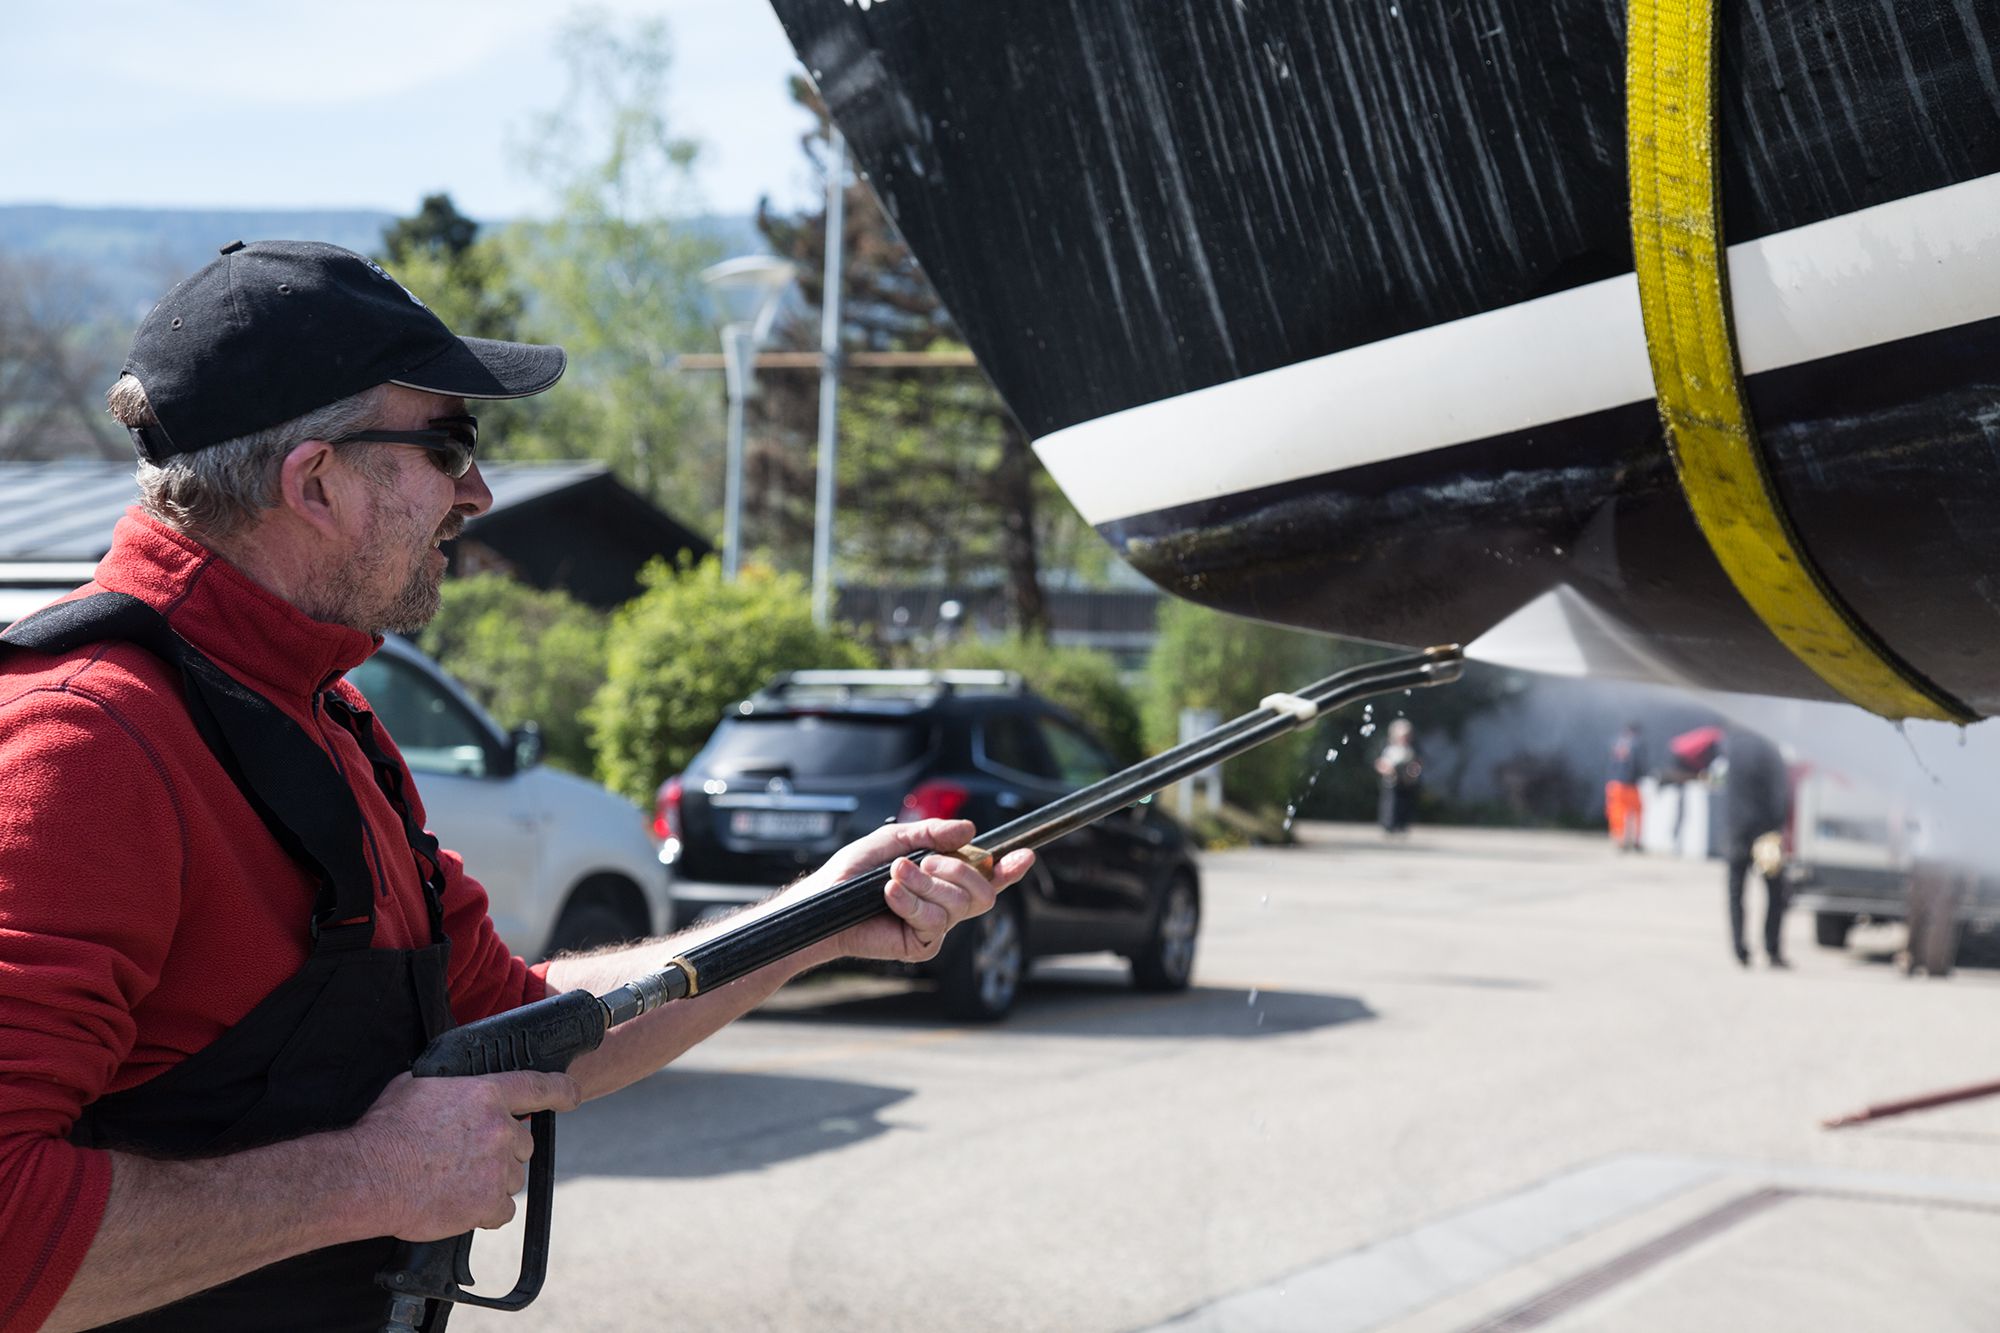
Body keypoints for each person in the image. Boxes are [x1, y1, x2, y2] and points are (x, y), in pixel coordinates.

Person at [0, 239, 1036, 1332]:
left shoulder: (324, 717)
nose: (478, 492)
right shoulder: (85, 745)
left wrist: (819, 919)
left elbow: (523, 1026)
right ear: (315, 480)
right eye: (449, 445)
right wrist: (364, 1179)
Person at [1717, 726, 1792, 969]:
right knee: (1775, 893)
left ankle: (1739, 949)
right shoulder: (1769, 746)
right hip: (1765, 833)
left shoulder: (1731, 746)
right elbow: (1781, 791)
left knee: (1736, 893)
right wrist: (1778, 825)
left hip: (1736, 829)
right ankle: (1772, 950)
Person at [1373, 718, 1422, 835]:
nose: (1404, 739)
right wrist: (1387, 769)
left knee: (1405, 804)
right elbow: (1380, 763)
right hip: (1391, 780)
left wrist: (1413, 772)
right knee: (1390, 803)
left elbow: (1417, 764)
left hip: (1406, 781)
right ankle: (1389, 825)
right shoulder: (1388, 748)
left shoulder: (1411, 750)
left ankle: (1402, 824)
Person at [1604, 721, 1646, 852]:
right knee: (1637, 811)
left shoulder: (1615, 743)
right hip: (1629, 784)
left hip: (1614, 784)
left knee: (1617, 812)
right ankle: (1636, 840)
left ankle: (1620, 839)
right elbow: (1637, 764)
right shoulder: (1636, 744)